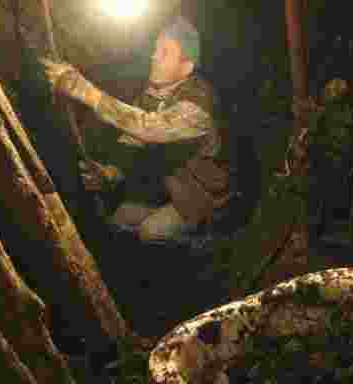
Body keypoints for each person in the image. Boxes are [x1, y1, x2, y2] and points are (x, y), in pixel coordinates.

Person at [42, 16, 232, 244]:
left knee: (151, 231)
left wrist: (87, 93)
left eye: (164, 52)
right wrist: (109, 174)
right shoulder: (151, 97)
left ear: (186, 67)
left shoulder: (199, 101)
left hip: (204, 200)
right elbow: (132, 145)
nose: (153, 57)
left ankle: (208, 247)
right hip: (175, 195)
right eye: (155, 50)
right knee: (120, 218)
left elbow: (149, 128)